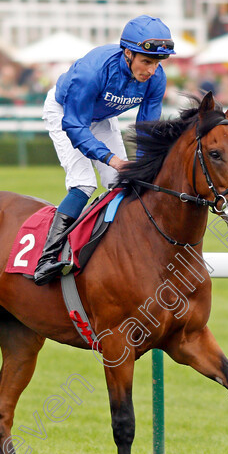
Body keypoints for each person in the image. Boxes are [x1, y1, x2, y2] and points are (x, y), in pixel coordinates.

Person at [32, 15, 176, 285]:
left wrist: (142, 169)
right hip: (66, 113)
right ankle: (47, 257)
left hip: (101, 118)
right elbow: (75, 126)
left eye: (157, 63)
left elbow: (146, 129)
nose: (152, 71)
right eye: (146, 62)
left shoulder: (156, 79)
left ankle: (114, 248)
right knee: (83, 184)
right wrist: (111, 159)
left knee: (122, 184)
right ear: (128, 53)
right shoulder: (92, 71)